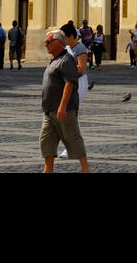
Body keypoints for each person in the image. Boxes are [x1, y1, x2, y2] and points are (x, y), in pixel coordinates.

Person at [39, 30, 89, 173]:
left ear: (58, 43)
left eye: (48, 42)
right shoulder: (54, 59)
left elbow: (69, 84)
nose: (45, 44)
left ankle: (85, 169)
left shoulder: (66, 59)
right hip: (49, 111)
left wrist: (62, 106)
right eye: (45, 42)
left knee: (73, 138)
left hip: (64, 110)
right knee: (46, 141)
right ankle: (48, 169)